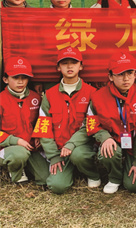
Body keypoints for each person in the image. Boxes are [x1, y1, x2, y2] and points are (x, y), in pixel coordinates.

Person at [33, 47, 100, 194]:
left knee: (79, 155)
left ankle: (92, 173)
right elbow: (44, 128)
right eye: (65, 63)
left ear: (81, 66)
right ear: (58, 67)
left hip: (81, 148)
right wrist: (53, 156)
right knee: (57, 186)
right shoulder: (49, 95)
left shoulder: (91, 93)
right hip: (59, 151)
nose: (69, 66)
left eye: (74, 62)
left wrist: (72, 143)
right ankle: (69, 170)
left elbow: (91, 126)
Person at [84, 51, 136, 193]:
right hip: (113, 142)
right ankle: (114, 178)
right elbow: (92, 124)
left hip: (134, 144)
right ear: (110, 76)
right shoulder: (98, 97)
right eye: (120, 74)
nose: (126, 79)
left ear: (135, 74)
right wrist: (104, 137)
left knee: (134, 186)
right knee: (108, 151)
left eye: (130, 73)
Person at [0, 57, 49, 185]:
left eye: (24, 77)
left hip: (30, 147)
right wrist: (14, 140)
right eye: (15, 78)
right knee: (19, 154)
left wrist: (39, 135)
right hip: (8, 147)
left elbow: (41, 121)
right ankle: (15, 170)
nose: (20, 82)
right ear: (5, 79)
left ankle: (26, 165)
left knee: (45, 179)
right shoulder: (1, 99)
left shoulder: (36, 97)